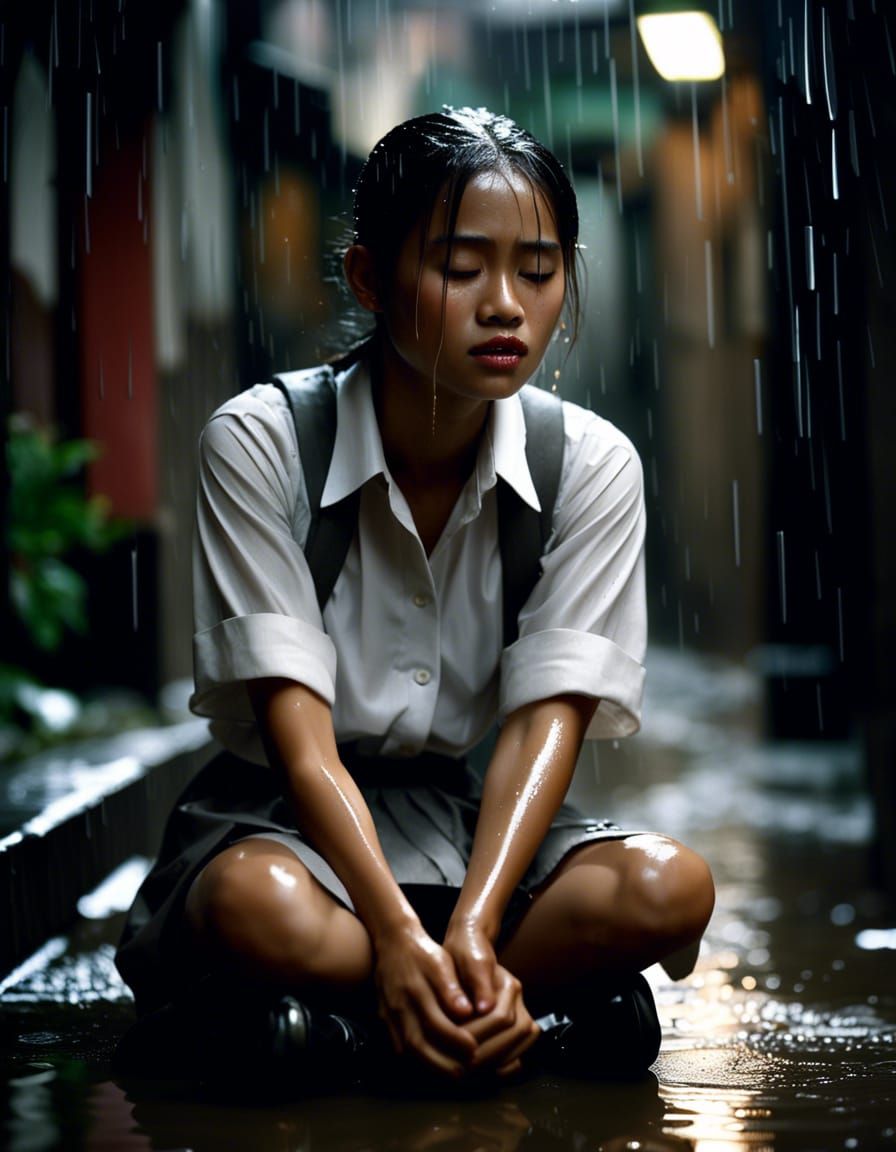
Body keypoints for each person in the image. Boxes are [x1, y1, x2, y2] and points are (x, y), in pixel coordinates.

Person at [115, 106, 715, 1090]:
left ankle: (354, 1031)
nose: (506, 306)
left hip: (472, 829)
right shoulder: (263, 441)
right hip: (290, 828)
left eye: (537, 268)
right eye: (459, 266)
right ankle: (513, 1015)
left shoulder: (588, 464)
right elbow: (296, 736)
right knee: (249, 905)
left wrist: (473, 922)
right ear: (368, 278)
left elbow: (541, 726)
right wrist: (393, 931)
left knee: (667, 885)